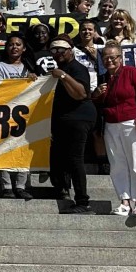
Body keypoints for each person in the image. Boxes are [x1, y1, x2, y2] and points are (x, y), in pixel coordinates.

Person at [93, 43, 136, 217]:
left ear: (121, 57)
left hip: (132, 123)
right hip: (112, 125)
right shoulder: (104, 78)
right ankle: (125, 201)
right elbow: (98, 104)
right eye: (105, 57)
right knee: (117, 164)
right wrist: (96, 94)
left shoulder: (131, 72)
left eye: (113, 57)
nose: (109, 60)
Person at [48, 36, 96, 214]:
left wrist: (63, 76)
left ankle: (83, 201)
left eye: (61, 49)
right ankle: (62, 190)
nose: (57, 53)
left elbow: (81, 94)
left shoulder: (77, 69)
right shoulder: (59, 69)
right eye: (53, 50)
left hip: (79, 118)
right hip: (63, 120)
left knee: (75, 159)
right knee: (58, 156)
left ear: (71, 50)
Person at [0, 35, 36, 200]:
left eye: (18, 44)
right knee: (3, 149)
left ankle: (21, 186)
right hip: (5, 114)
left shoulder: (30, 68)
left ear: (24, 48)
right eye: (11, 44)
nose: (14, 47)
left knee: (23, 151)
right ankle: (7, 186)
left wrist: (32, 80)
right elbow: (1, 89)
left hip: (25, 115)